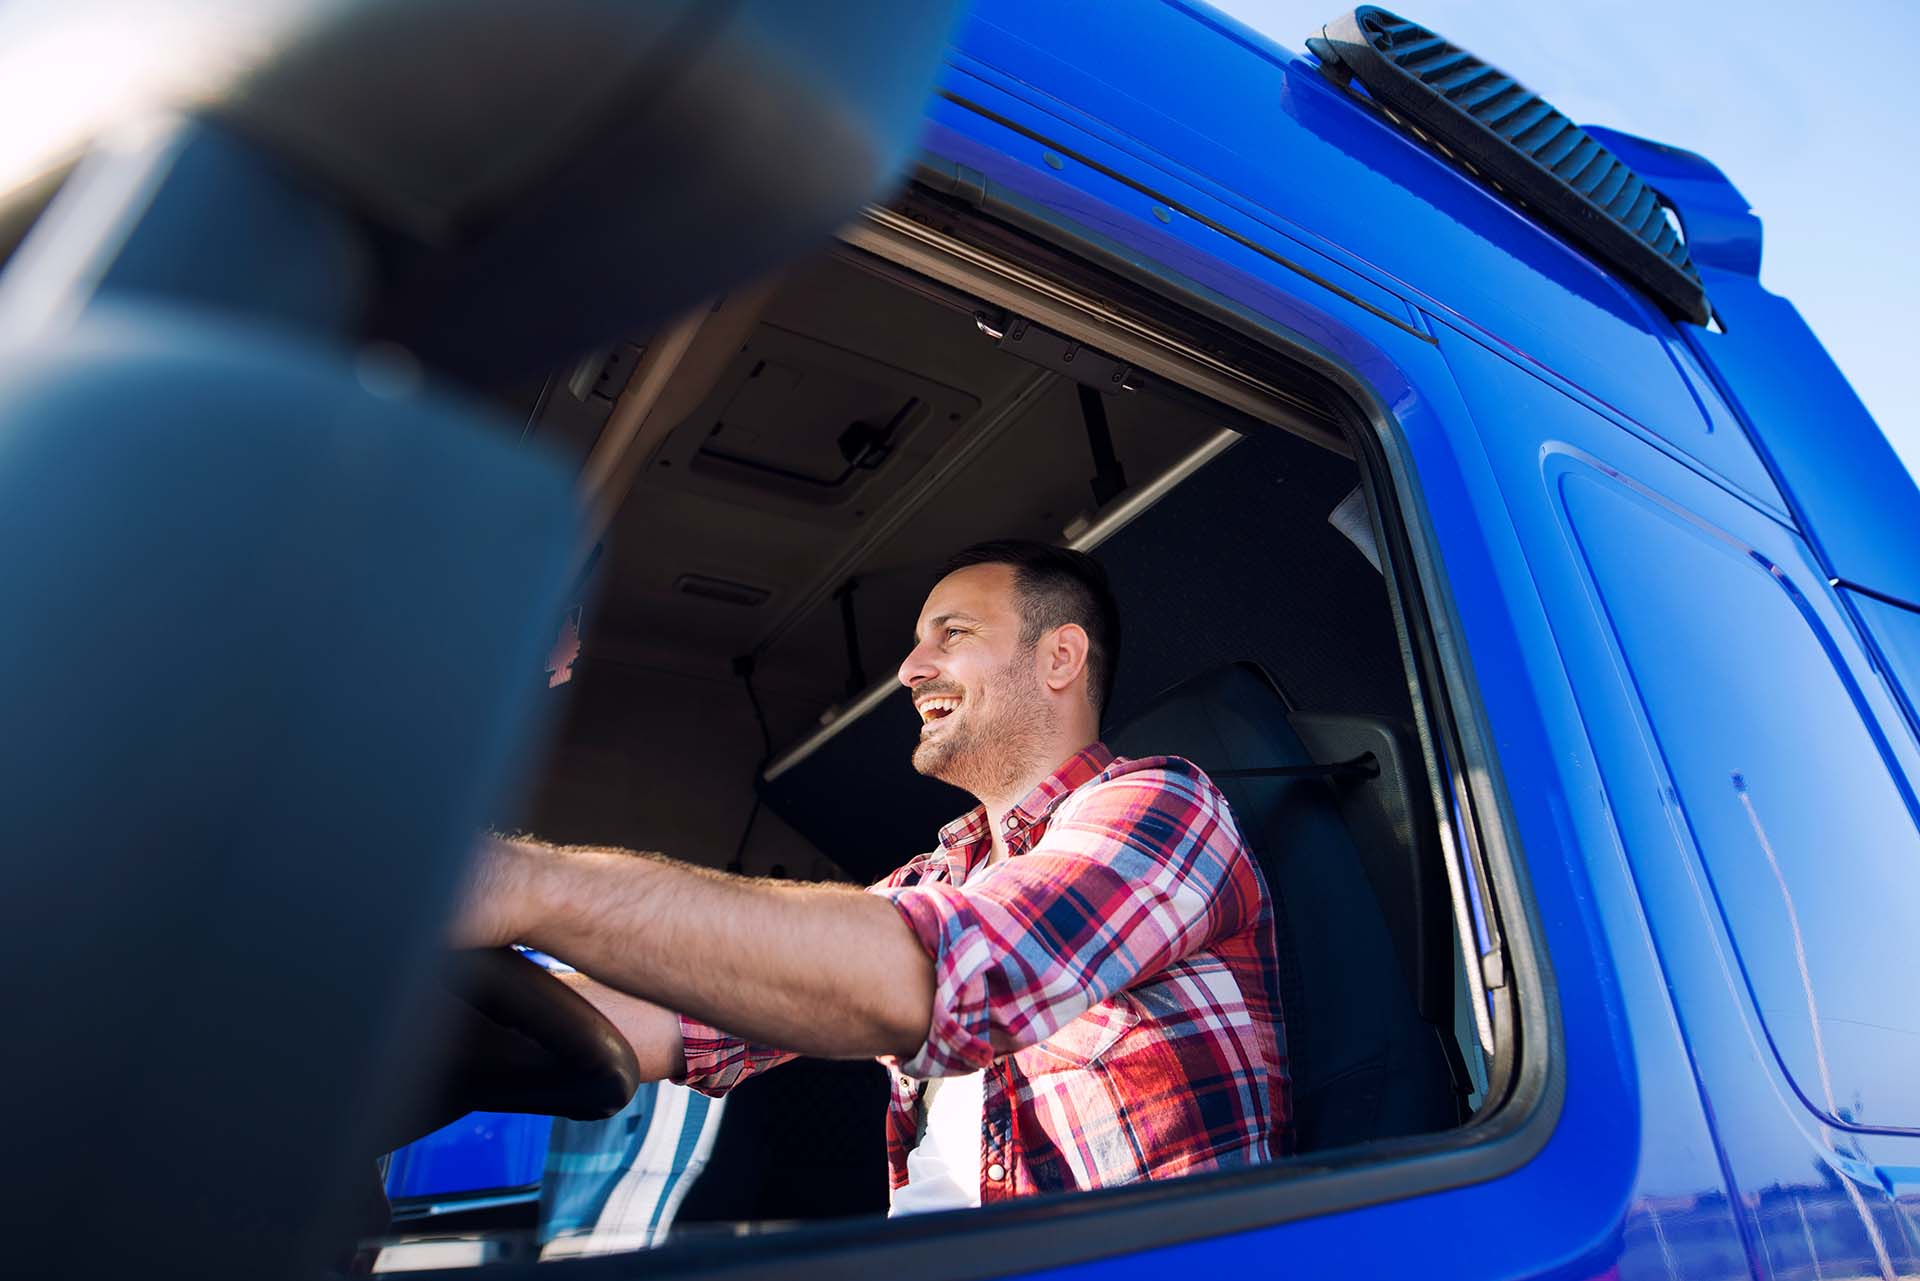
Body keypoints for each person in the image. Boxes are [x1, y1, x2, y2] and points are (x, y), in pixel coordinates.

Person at [457, 540, 1290, 1209]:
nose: (909, 667)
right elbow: (684, 1015)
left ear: (1061, 657)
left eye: (950, 634)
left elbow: (952, 975)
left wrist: (530, 884)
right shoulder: (941, 875)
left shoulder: (1163, 804)